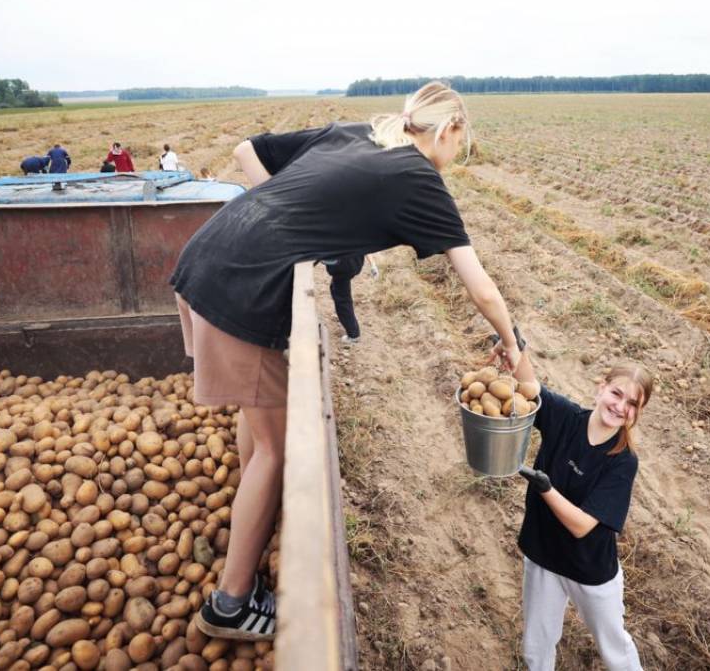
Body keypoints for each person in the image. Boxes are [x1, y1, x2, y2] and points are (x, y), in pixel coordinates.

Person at [170, 82, 521, 641]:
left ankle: (251, 503)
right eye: (463, 145)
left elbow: (245, 152)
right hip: (236, 288)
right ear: (448, 130)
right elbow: (478, 285)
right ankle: (230, 604)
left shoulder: (358, 132)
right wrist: (516, 349)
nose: (457, 157)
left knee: (258, 419)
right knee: (278, 445)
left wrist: (284, 221)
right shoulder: (418, 177)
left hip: (206, 256)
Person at [510, 354, 652, 671]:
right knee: (536, 646)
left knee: (615, 648)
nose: (620, 406)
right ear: (601, 388)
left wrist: (545, 488)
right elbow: (529, 386)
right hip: (544, 556)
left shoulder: (623, 460)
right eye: (616, 393)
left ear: (637, 413)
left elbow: (581, 526)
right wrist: (512, 344)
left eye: (632, 404)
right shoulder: (567, 418)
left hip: (590, 571)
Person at [319, 253, 378, 344]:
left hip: (343, 266)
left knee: (342, 299)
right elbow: (366, 246)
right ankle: (343, 317)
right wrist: (373, 264)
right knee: (335, 288)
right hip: (353, 263)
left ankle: (353, 335)